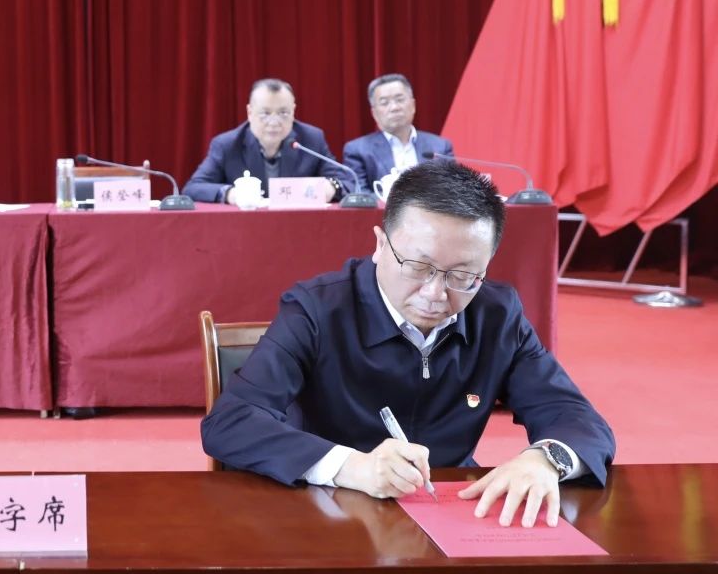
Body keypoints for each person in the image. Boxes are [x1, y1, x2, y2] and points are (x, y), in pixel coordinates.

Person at [201, 161, 614, 528]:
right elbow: (231, 422)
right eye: (418, 267)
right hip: (330, 511)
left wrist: (546, 459)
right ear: (381, 245)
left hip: (450, 511)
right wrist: (353, 466)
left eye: (463, 276)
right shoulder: (317, 310)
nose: (435, 294)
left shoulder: (497, 315)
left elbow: (576, 417)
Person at [183, 78, 351, 204]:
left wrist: (331, 188)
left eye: (283, 113)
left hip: (298, 226)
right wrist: (230, 194)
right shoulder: (227, 144)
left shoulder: (311, 139)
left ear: (293, 111)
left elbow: (348, 182)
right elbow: (193, 187)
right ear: (250, 113)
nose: (274, 122)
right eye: (265, 113)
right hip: (246, 228)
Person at [342, 74, 454, 188]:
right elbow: (359, 193)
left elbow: (451, 189)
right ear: (374, 113)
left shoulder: (440, 147)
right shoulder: (358, 150)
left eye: (400, 100)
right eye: (384, 103)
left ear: (413, 105)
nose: (394, 107)